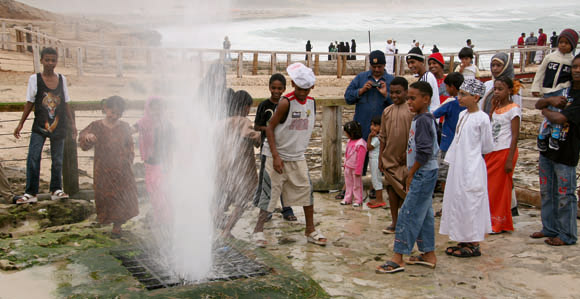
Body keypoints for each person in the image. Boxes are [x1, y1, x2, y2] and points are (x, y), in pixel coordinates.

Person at [252, 63, 327, 247]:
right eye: (299, 89)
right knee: (270, 193)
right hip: (276, 155)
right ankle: (258, 230)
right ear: (293, 84)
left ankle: (310, 229)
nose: (302, 93)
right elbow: (270, 127)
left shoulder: (312, 103)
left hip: (297, 156)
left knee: (306, 191)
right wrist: (276, 156)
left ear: (312, 87)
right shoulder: (286, 102)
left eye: (306, 89)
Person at [376, 81, 439, 274]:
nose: (409, 102)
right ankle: (428, 253)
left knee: (408, 213)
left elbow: (425, 151)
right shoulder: (420, 119)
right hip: (425, 171)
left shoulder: (423, 121)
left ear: (426, 99)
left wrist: (411, 173)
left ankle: (398, 257)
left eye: (413, 98)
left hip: (423, 172)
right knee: (425, 213)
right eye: (409, 98)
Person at [13, 47, 77, 204]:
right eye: (47, 59)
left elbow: (66, 102)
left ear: (56, 61)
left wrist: (72, 124)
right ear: (41, 60)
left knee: (57, 159)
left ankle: (56, 189)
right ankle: (31, 192)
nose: (50, 63)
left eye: (53, 60)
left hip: (59, 125)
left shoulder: (62, 79)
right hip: (40, 125)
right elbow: (29, 102)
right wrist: (20, 123)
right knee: (33, 157)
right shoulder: (34, 79)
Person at [439, 78, 493, 257]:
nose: (459, 98)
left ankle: (474, 242)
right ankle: (463, 239)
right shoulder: (463, 115)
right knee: (459, 201)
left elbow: (486, 146)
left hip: (472, 166)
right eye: (460, 93)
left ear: (476, 97)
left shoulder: (482, 118)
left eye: (464, 95)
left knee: (472, 203)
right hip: (458, 166)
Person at [530, 53, 580, 246]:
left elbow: (559, 118)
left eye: (579, 67)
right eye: (574, 67)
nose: (576, 70)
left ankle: (567, 234)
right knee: (547, 191)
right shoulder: (563, 90)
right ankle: (549, 227)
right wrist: (550, 103)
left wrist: (547, 111)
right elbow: (539, 103)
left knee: (565, 194)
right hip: (548, 148)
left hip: (566, 151)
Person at [79, 96, 138, 237]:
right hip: (103, 168)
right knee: (105, 195)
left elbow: (130, 146)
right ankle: (108, 220)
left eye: (118, 114)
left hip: (122, 169)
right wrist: (88, 138)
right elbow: (83, 139)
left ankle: (117, 226)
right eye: (112, 112)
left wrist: (128, 161)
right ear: (105, 108)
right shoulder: (96, 126)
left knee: (122, 196)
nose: (114, 116)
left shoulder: (124, 126)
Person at [344, 50, 394, 199]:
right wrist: (361, 90)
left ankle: (376, 187)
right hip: (361, 128)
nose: (377, 69)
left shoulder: (391, 80)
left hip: (382, 130)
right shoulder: (360, 78)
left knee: (379, 160)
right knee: (356, 161)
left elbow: (400, 102)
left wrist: (386, 94)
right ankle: (351, 189)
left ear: (384, 65)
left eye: (380, 66)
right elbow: (348, 97)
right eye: (374, 66)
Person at [479, 52, 523, 216]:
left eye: (499, 65)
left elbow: (516, 119)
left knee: (502, 182)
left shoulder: (514, 89)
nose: (495, 69)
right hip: (492, 141)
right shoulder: (488, 85)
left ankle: (505, 212)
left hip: (504, 144)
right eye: (493, 65)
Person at [253, 73, 297, 222]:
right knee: (267, 181)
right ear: (269, 88)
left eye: (279, 88)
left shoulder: (287, 104)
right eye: (274, 88)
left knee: (286, 179)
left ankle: (287, 208)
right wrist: (270, 129)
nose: (276, 91)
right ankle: (267, 210)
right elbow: (257, 126)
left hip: (285, 149)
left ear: (284, 88)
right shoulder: (264, 106)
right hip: (268, 150)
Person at [218, 90, 262, 237]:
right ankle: (227, 230)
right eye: (249, 107)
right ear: (245, 107)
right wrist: (262, 135)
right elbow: (251, 135)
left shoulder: (222, 122)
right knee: (242, 201)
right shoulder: (243, 121)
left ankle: (215, 219)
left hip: (224, 166)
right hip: (240, 169)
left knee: (228, 197)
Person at [532, 29, 578, 152]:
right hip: (547, 90)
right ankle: (542, 136)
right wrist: (535, 87)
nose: (563, 45)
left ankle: (554, 136)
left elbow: (572, 78)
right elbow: (540, 72)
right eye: (561, 42)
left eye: (566, 43)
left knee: (558, 112)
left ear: (572, 45)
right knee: (548, 115)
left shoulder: (572, 61)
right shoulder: (550, 57)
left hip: (562, 89)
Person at [485, 76, 521, 234]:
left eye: (500, 89)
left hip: (505, 151)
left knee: (499, 189)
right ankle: (491, 219)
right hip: (493, 151)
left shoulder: (514, 109)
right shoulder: (496, 107)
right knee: (489, 187)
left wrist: (509, 159)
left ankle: (498, 222)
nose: (497, 92)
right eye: (495, 89)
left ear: (509, 90)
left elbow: (515, 135)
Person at [378, 77, 414, 233]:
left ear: (406, 92)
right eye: (392, 93)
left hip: (407, 160)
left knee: (408, 191)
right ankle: (394, 221)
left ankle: (410, 221)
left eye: (398, 92)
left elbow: (416, 137)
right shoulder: (387, 111)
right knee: (391, 190)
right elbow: (383, 137)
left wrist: (409, 155)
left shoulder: (412, 111)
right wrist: (380, 157)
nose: (395, 96)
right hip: (390, 160)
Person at [134, 97, 173, 224]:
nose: (156, 111)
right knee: (153, 191)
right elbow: (130, 130)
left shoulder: (167, 124)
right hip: (149, 163)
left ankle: (167, 219)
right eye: (153, 108)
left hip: (164, 163)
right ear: (148, 109)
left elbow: (175, 142)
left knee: (163, 190)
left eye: (159, 108)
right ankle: (159, 217)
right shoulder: (143, 123)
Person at [432, 72, 465, 195]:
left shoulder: (450, 102)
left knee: (444, 173)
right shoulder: (467, 103)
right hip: (461, 143)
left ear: (452, 87)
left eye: (446, 86)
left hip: (447, 142)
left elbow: (434, 114)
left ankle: (446, 197)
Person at [407, 47, 440, 116]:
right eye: (408, 63)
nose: (410, 66)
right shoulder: (424, 77)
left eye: (412, 62)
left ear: (422, 61)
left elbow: (425, 103)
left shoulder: (427, 78)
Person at [340, 121, 367, 207]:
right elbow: (347, 154)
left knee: (357, 184)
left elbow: (361, 159)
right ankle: (347, 198)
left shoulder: (361, 144)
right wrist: (345, 164)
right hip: (348, 166)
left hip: (356, 168)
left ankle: (358, 199)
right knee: (348, 183)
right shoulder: (349, 142)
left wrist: (359, 170)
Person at [366, 116, 384, 208]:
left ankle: (380, 199)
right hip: (373, 159)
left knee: (377, 179)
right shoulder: (376, 136)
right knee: (374, 179)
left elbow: (369, 147)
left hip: (376, 160)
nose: (372, 127)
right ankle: (378, 198)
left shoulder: (377, 138)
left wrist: (369, 137)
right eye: (372, 125)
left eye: (375, 125)